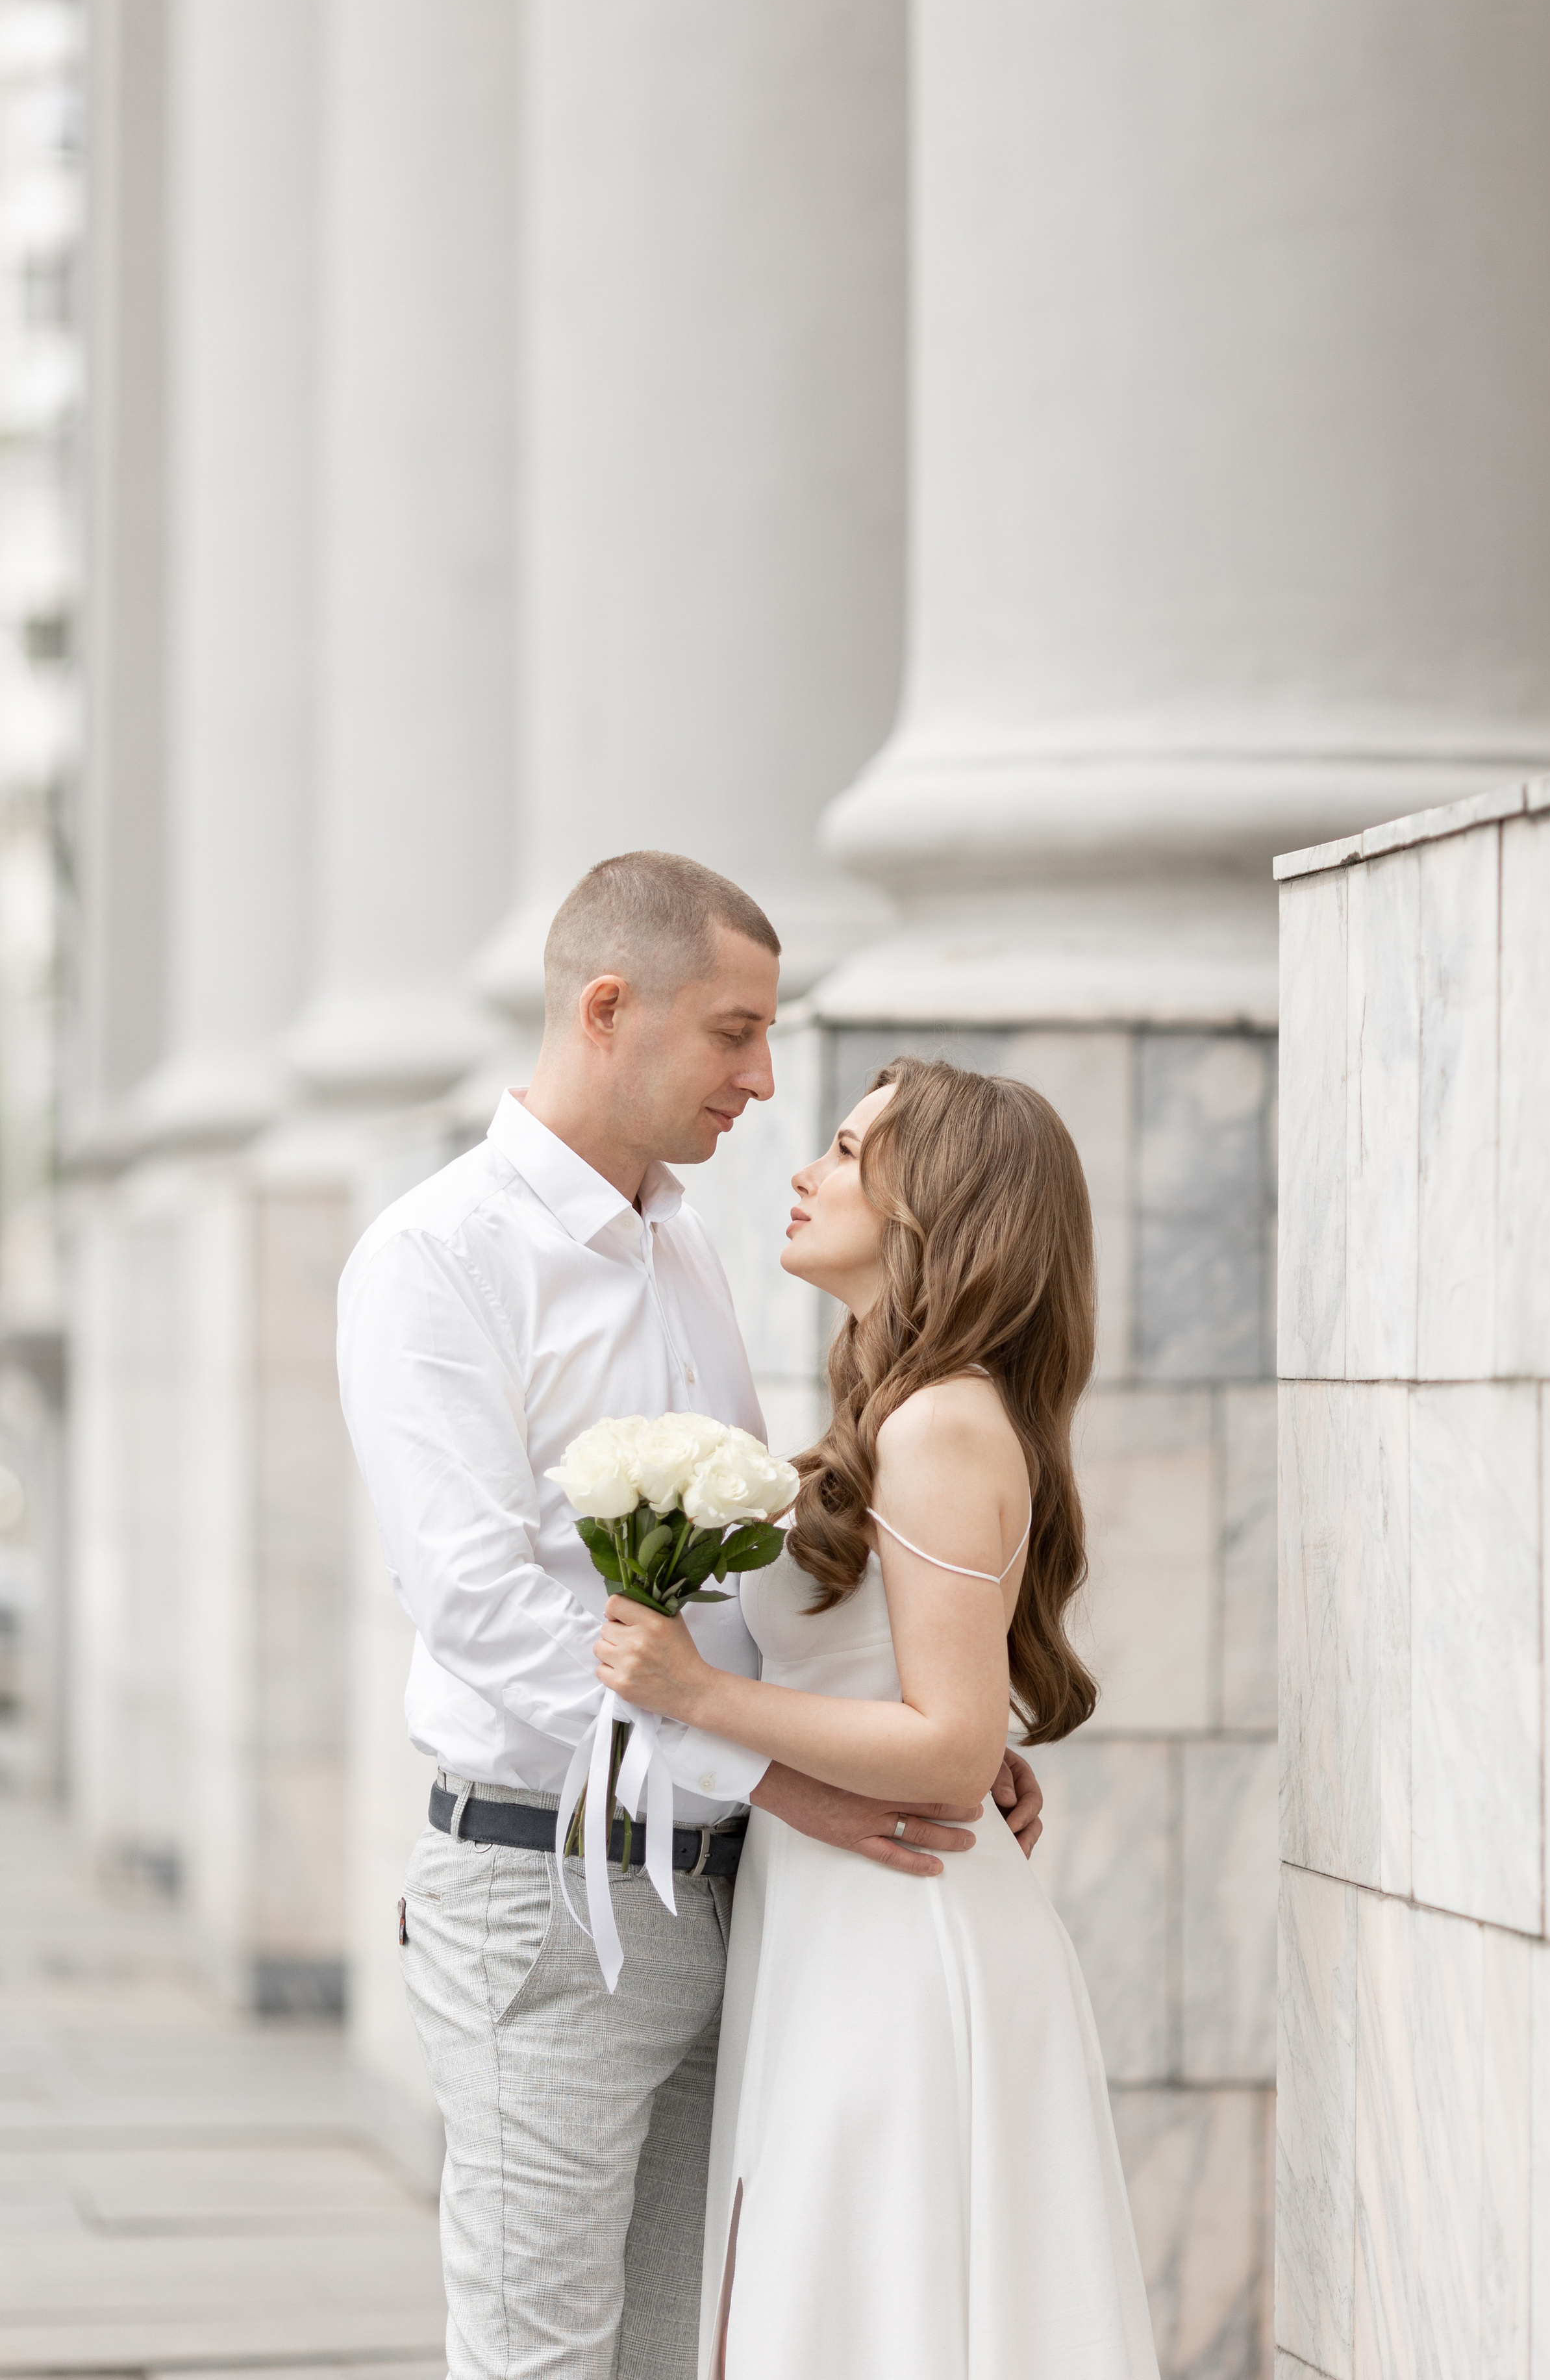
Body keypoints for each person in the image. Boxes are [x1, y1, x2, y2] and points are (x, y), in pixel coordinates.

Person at [336, 851, 1044, 2380]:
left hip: (733, 1900)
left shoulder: (687, 1244)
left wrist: (916, 1721)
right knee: (539, 2359)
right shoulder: (438, 1259)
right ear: (609, 1009)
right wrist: (783, 1774)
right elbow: (477, 1605)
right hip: (549, 1892)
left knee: (671, 2355)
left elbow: (734, 1584)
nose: (762, 1076)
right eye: (734, 1031)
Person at [597, 1057, 1162, 2380]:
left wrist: (696, 1695)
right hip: (839, 1915)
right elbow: (926, 1700)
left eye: (848, 1152)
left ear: (938, 1208)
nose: (804, 1170)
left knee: (877, 2316)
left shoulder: (939, 1425)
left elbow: (953, 1750)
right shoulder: (904, 1413)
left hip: (900, 1935)